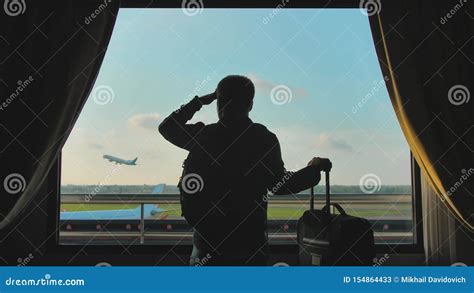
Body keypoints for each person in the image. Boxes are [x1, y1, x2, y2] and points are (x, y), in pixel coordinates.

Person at [159, 75, 331, 265]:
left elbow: (167, 128)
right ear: (250, 104)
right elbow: (280, 185)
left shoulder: (203, 136)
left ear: (219, 102)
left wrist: (200, 101)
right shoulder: (263, 139)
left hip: (205, 247)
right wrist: (313, 170)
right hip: (250, 246)